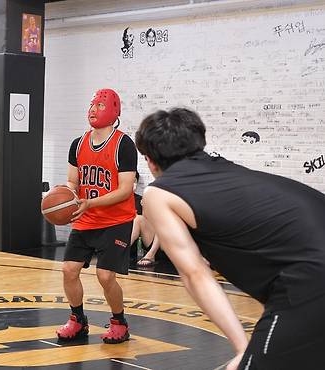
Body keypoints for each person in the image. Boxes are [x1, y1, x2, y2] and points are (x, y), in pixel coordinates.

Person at [135, 108, 325, 370]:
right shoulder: (224, 168)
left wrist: (242, 349)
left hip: (310, 276)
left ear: (149, 160)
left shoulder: (158, 193)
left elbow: (195, 274)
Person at [56, 89, 137, 344]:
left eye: (100, 105)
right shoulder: (78, 144)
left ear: (114, 111)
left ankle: (119, 322)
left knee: (105, 276)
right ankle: (78, 320)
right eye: (91, 104)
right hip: (86, 218)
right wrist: (63, 198)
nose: (93, 109)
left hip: (116, 221)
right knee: (69, 270)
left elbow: (125, 190)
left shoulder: (123, 144)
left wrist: (89, 203)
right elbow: (72, 181)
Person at [131, 171, 161, 267]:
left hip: (173, 245)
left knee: (163, 221)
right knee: (138, 219)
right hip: (153, 241)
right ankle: (119, 250)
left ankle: (151, 255)